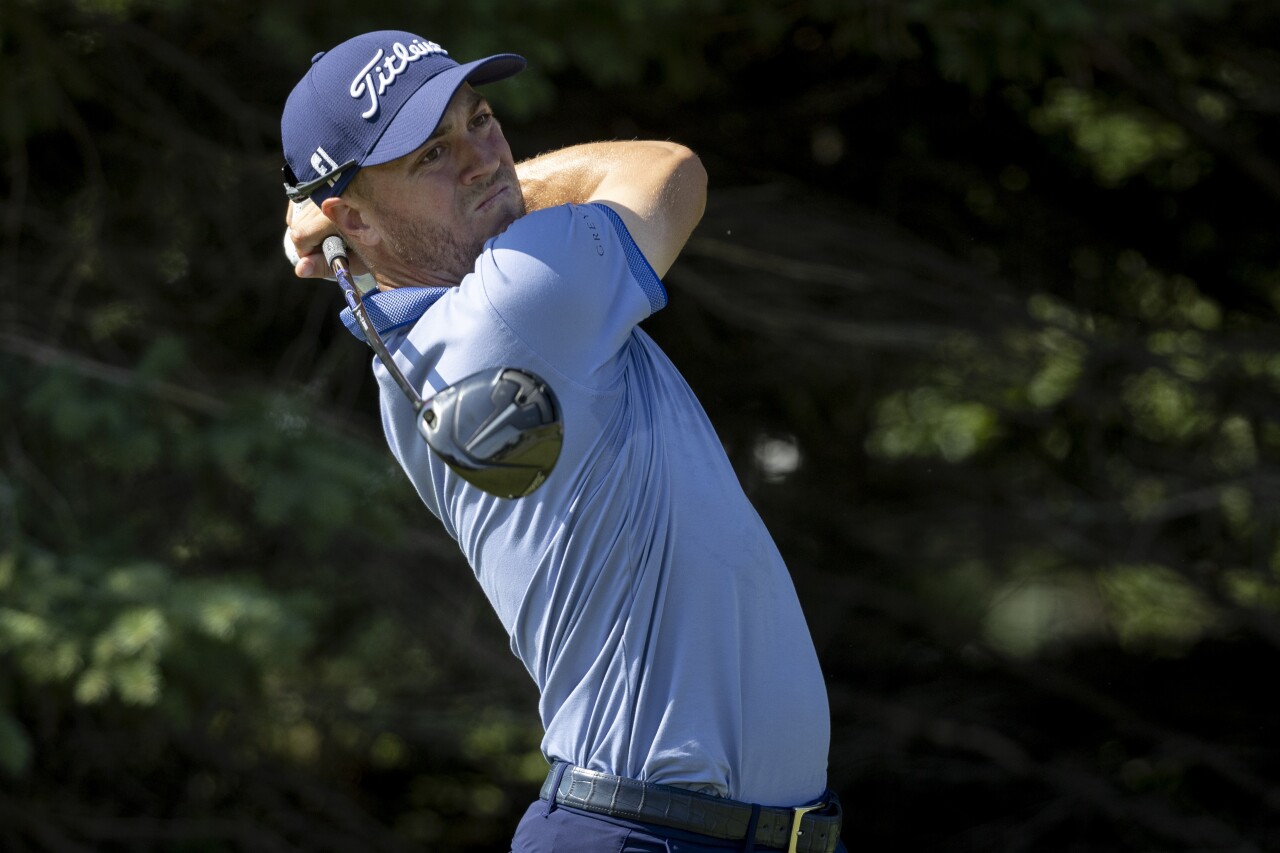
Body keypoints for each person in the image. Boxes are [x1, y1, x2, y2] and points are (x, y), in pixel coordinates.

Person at [280, 30, 845, 853]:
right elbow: (669, 170)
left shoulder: (422, 351)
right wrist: (509, 185)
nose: (482, 159)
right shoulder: (517, 302)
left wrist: (404, 210)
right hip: (648, 832)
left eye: (481, 120)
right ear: (352, 218)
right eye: (431, 153)